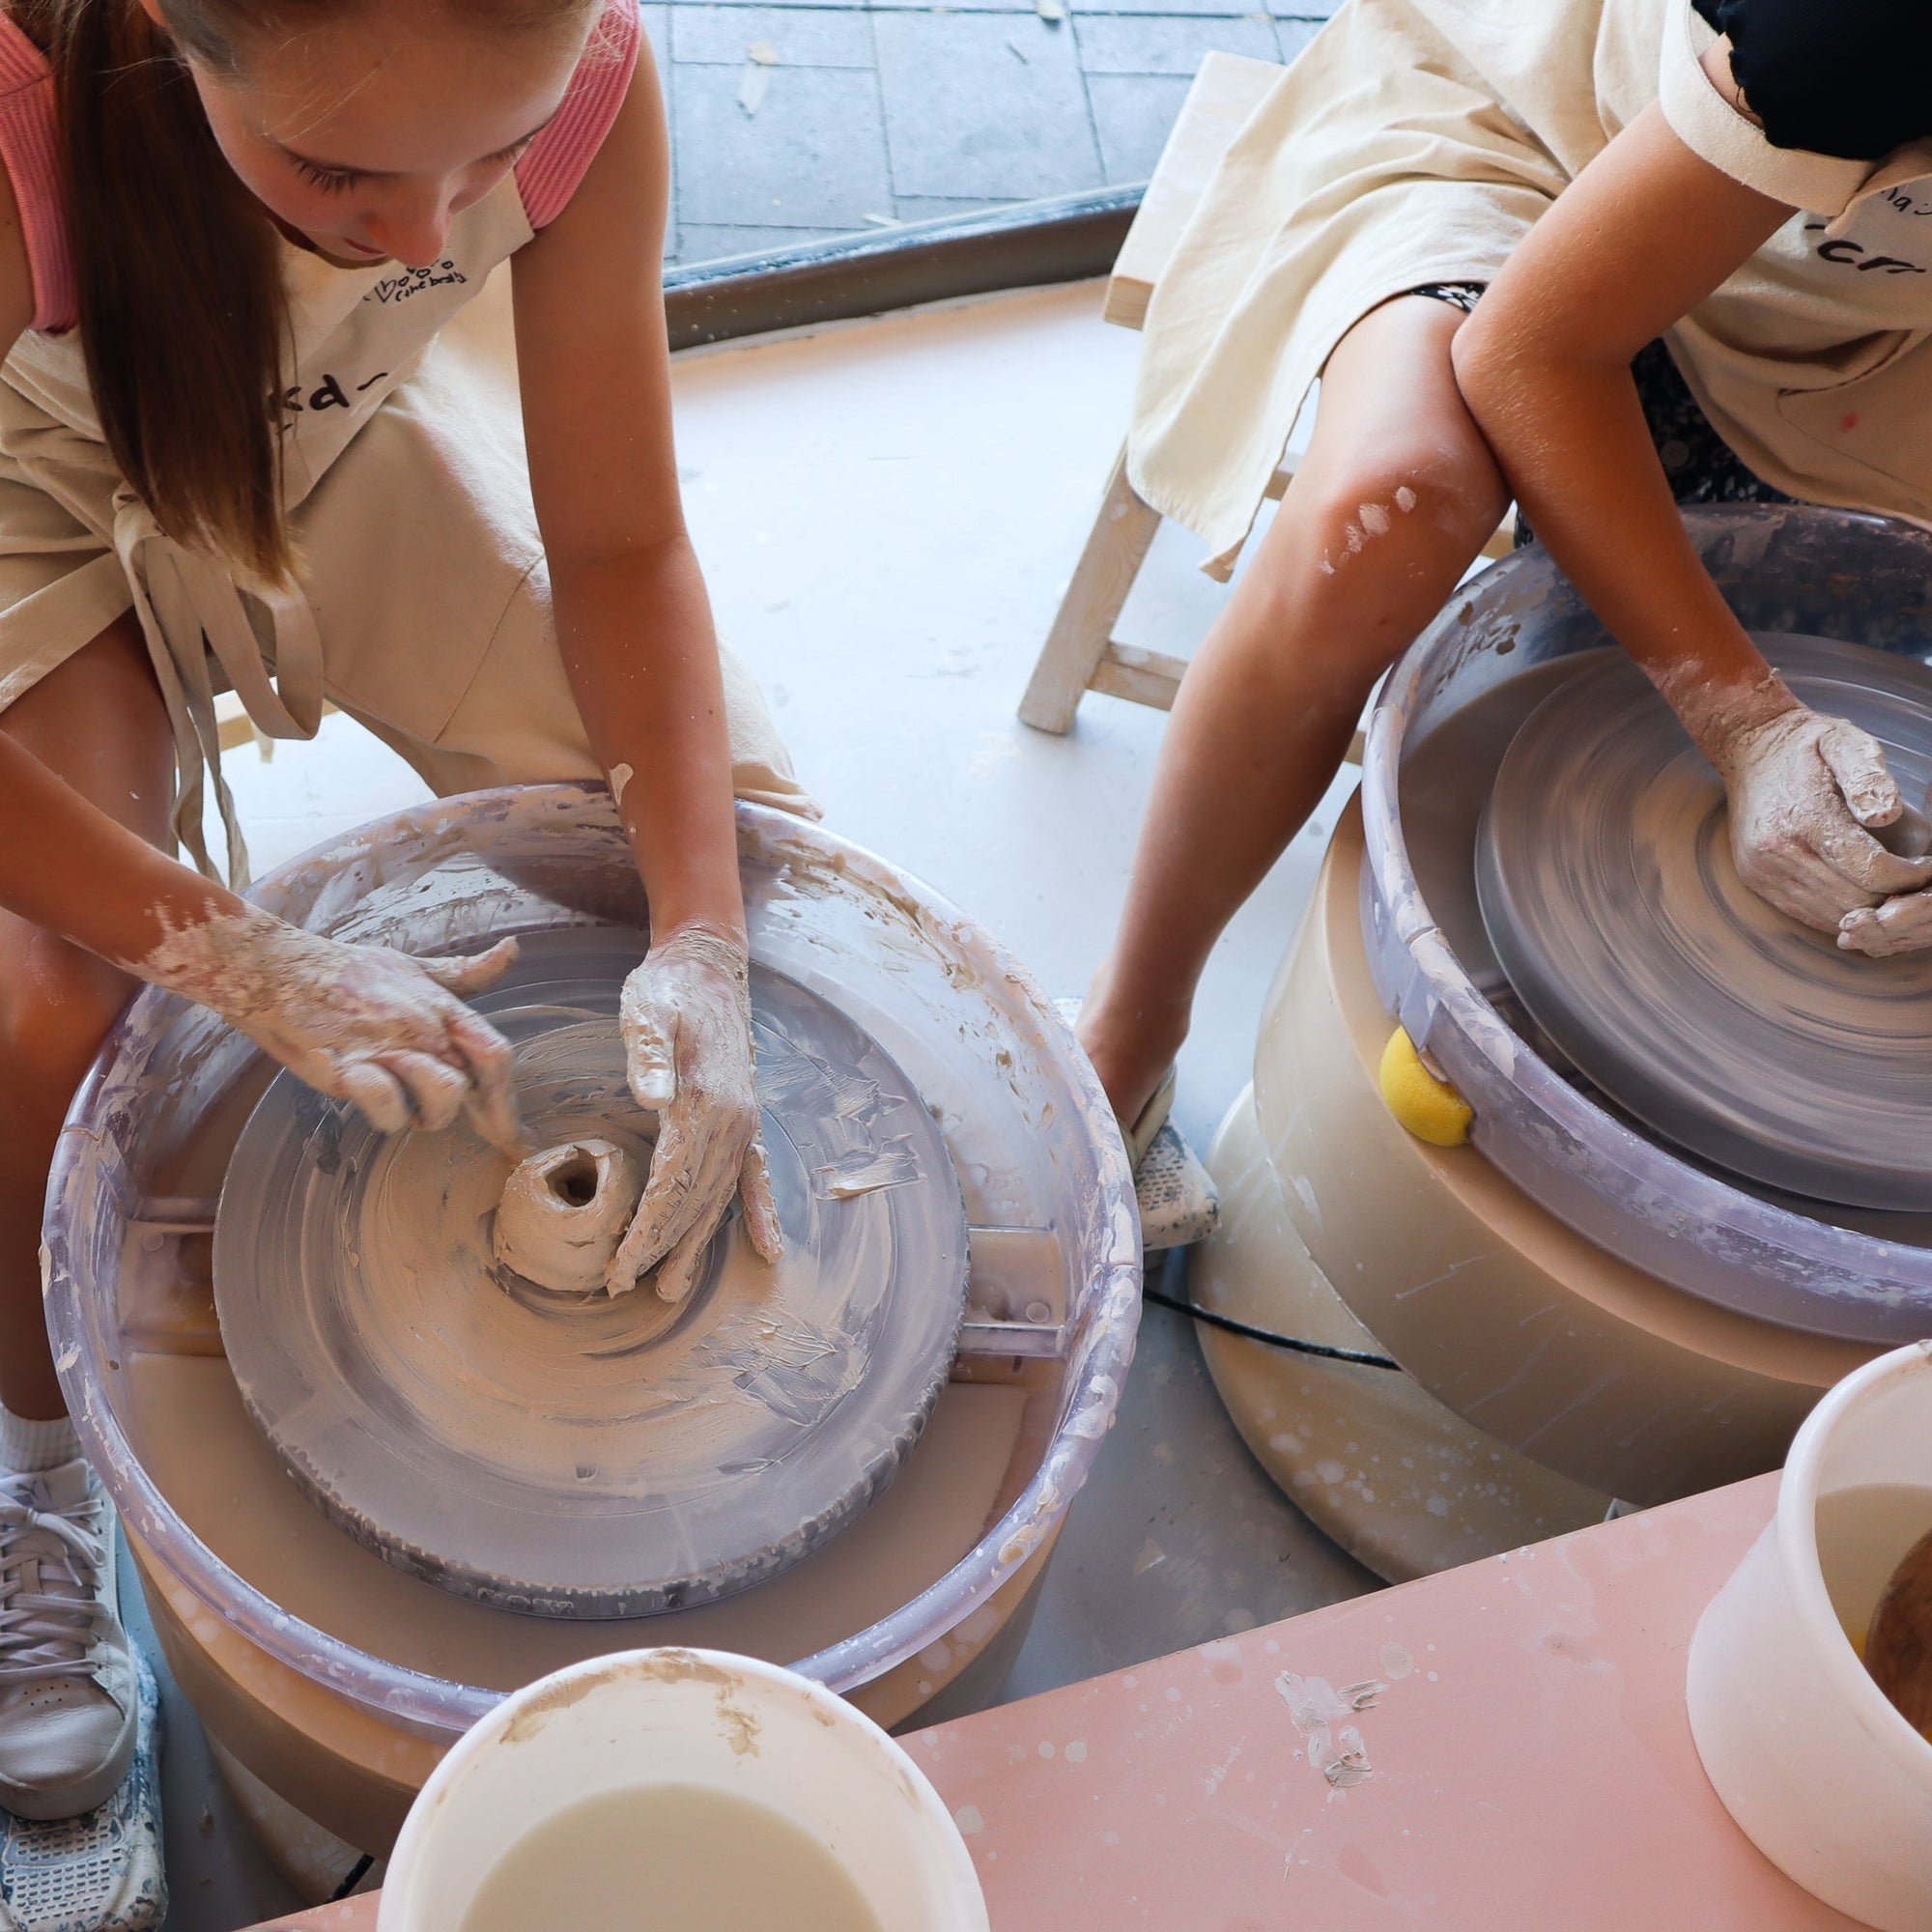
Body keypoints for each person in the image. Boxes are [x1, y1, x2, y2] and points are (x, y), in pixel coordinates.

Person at [0, 0, 813, 1821]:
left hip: (328, 418)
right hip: (32, 473)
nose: (434, 230)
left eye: (477, 161)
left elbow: (620, 544)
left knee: (717, 845)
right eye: (344, 172)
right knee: (50, 1019)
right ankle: (36, 1478)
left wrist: (698, 941)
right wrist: (232, 948)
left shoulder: (585, 72)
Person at [1079, 0, 1932, 1153]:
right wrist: (1744, 722)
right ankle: (1127, 1034)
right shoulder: (1861, 29)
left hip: (1871, 329)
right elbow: (1534, 351)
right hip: (1543, 133)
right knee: (1387, 513)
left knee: (1840, 642)